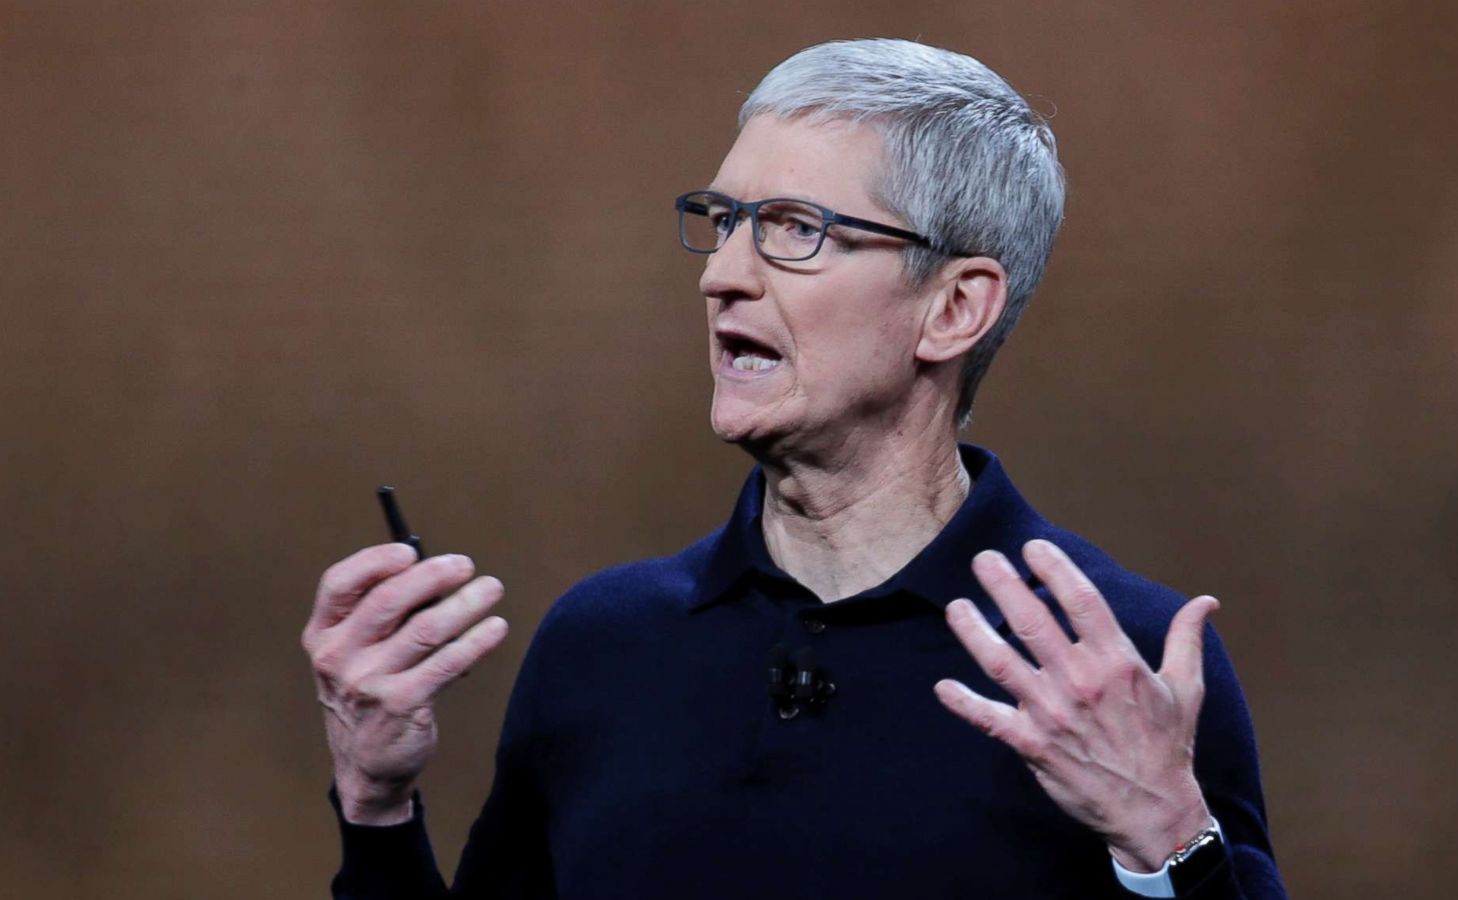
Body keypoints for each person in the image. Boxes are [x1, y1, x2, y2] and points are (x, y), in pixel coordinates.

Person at [302, 38, 1287, 899]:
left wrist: (1170, 843)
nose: (721, 273)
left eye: (792, 229)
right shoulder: (602, 649)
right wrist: (375, 805)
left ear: (953, 308)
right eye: (722, 220)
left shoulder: (1121, 664)